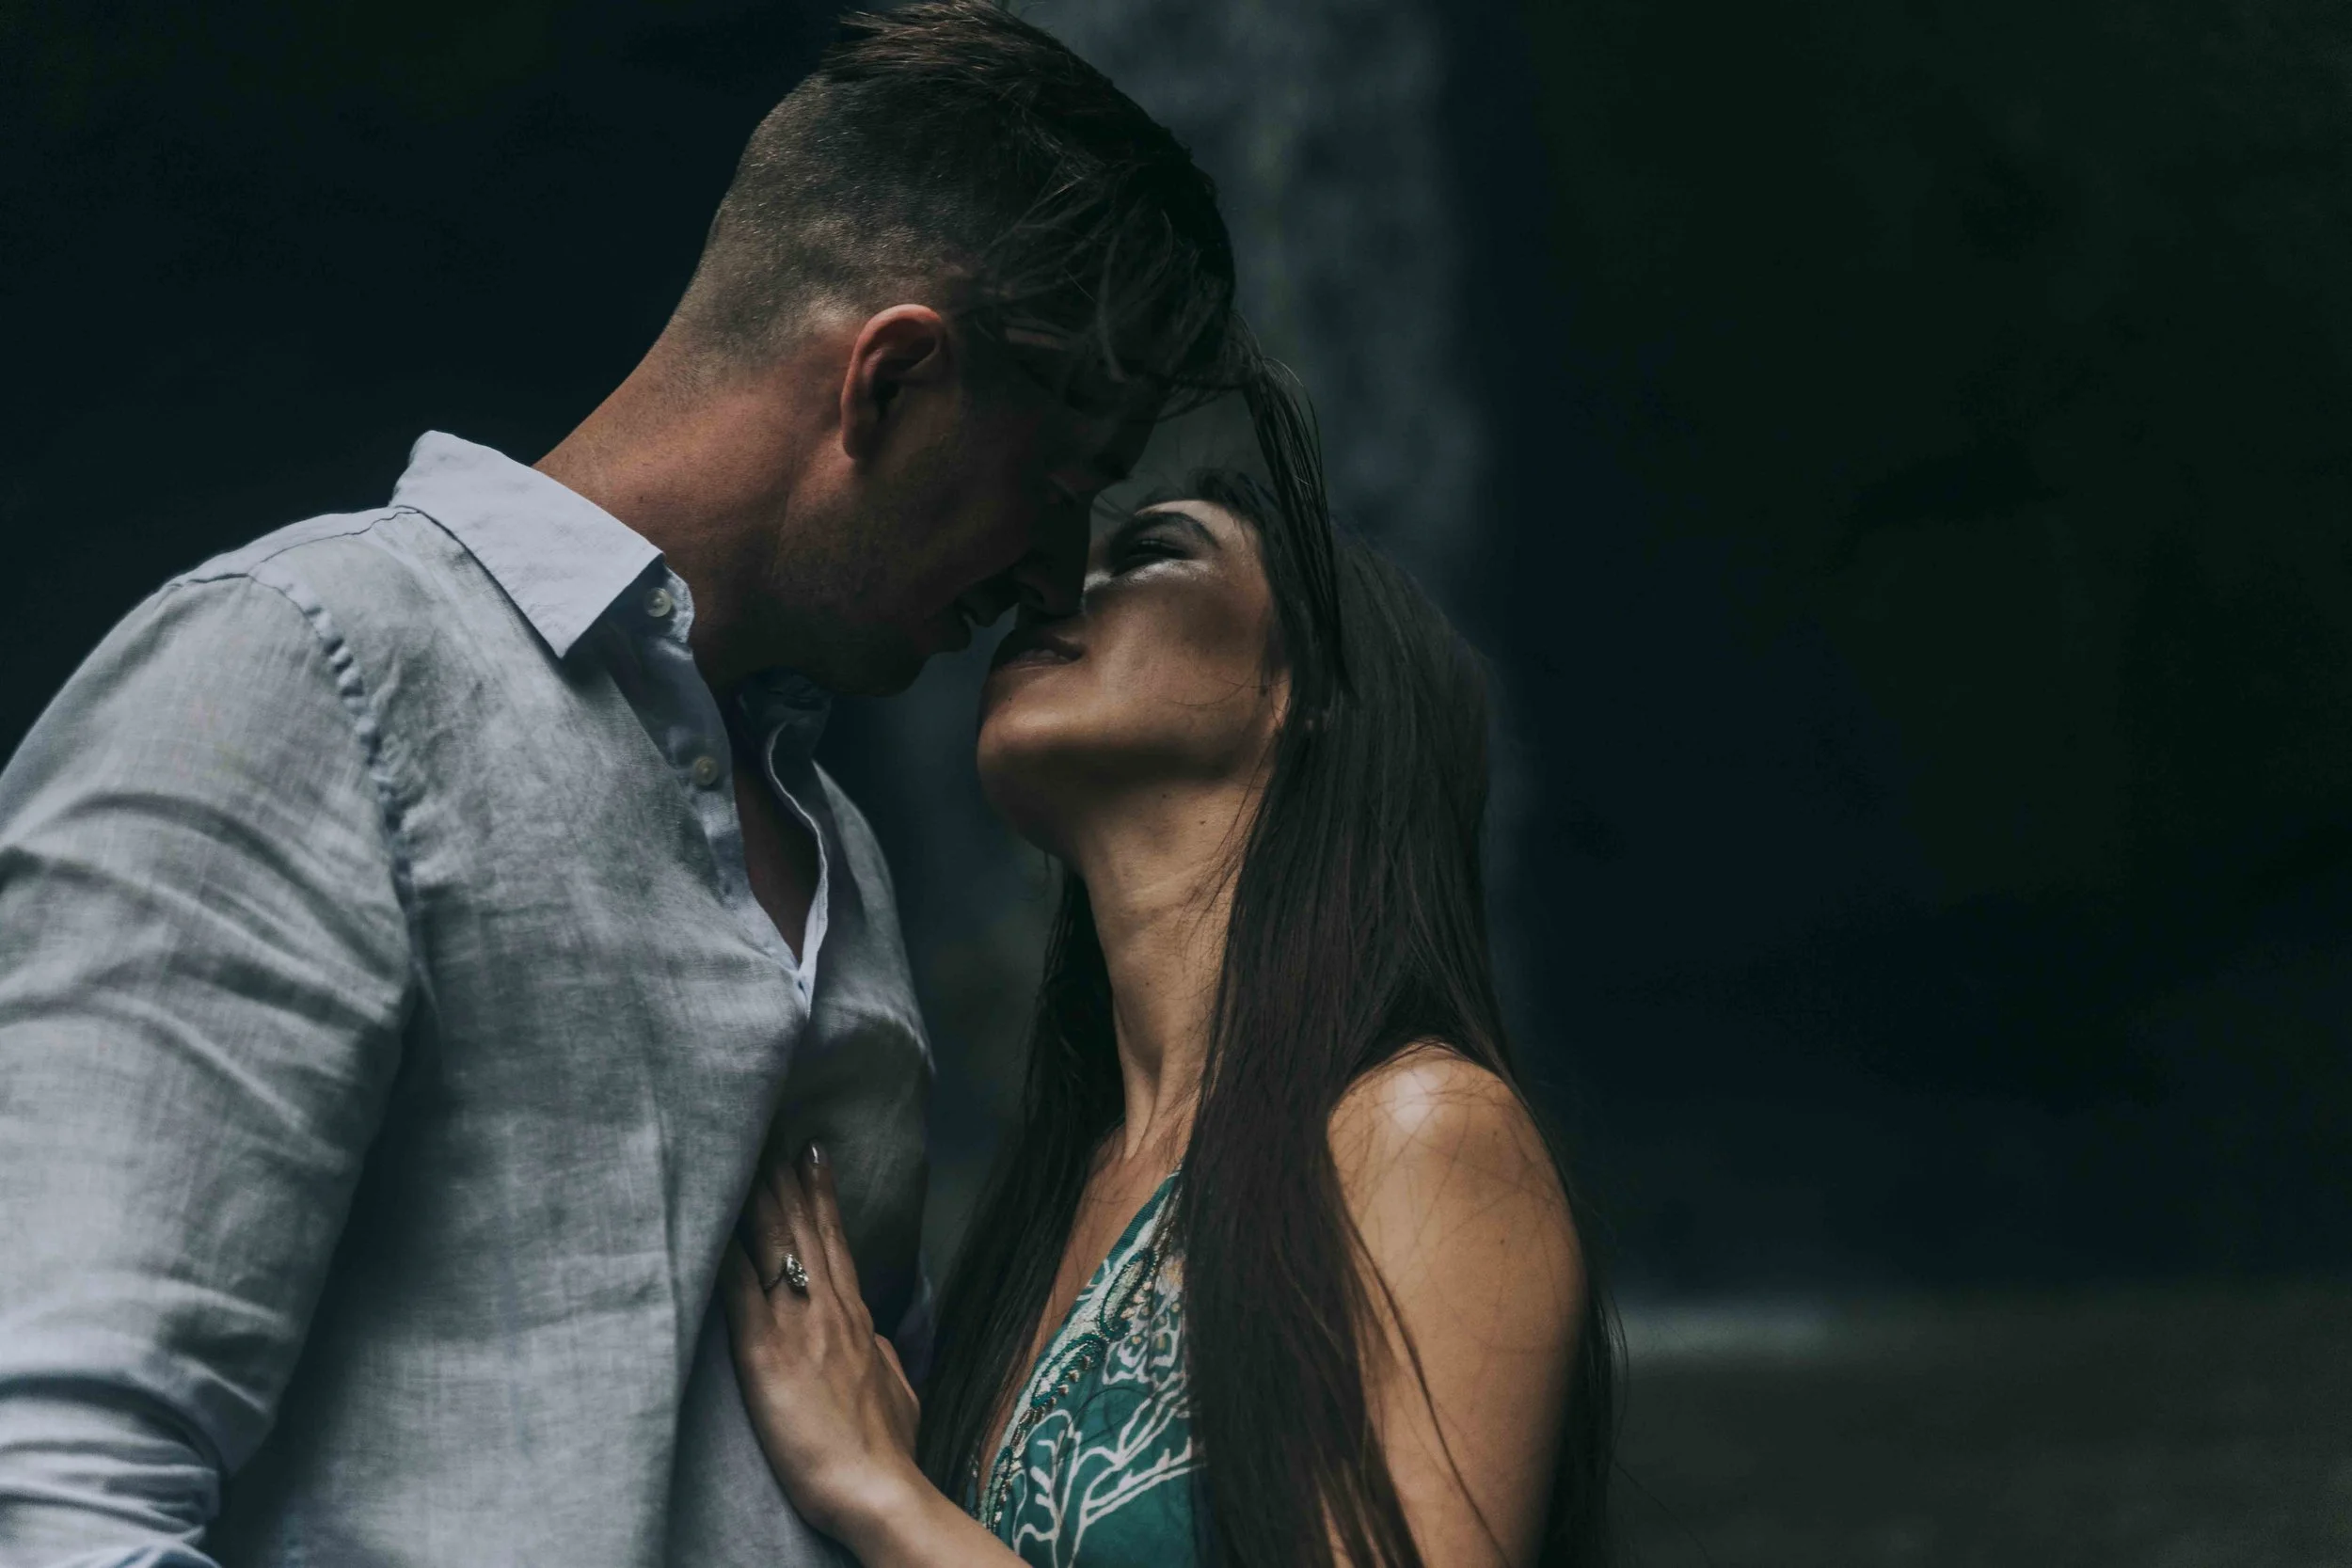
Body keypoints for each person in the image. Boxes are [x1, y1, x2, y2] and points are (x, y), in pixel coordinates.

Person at [0, 7, 1268, 1564]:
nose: (1059, 571)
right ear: (889, 383)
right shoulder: (306, 670)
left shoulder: (839, 849)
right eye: (1059, 483)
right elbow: (59, 1480)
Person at [721, 457, 1619, 1566]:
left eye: (1152, 553)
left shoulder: (1421, 1130)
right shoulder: (1065, 1187)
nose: (1043, 589)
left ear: (1309, 695)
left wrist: (882, 1494)